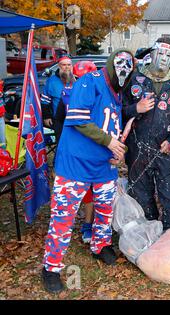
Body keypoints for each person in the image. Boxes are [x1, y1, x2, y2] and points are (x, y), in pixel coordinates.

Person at [41, 49, 135, 293]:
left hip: (103, 166)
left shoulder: (118, 91)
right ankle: (51, 267)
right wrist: (109, 142)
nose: (123, 73)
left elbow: (110, 124)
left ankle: (100, 245)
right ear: (112, 65)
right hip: (75, 163)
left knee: (105, 209)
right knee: (64, 217)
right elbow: (79, 118)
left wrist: (117, 150)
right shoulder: (89, 81)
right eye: (120, 67)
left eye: (129, 69)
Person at [122, 37, 170, 230]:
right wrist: (136, 109)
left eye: (169, 55)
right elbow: (119, 110)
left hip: (164, 150)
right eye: (161, 53)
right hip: (137, 148)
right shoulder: (134, 79)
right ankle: (145, 236)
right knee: (141, 197)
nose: (164, 58)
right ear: (152, 54)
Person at [53, 60, 98, 244]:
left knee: (92, 187)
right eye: (79, 78)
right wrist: (61, 143)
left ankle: (88, 223)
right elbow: (60, 119)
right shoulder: (67, 93)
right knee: (69, 186)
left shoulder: (100, 93)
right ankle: (64, 225)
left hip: (94, 146)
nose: (83, 82)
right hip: (73, 147)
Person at [41, 56, 75, 128]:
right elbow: (45, 101)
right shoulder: (51, 81)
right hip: (58, 120)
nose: (67, 67)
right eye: (64, 65)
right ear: (59, 66)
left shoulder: (77, 80)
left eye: (69, 65)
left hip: (75, 119)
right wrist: (46, 117)